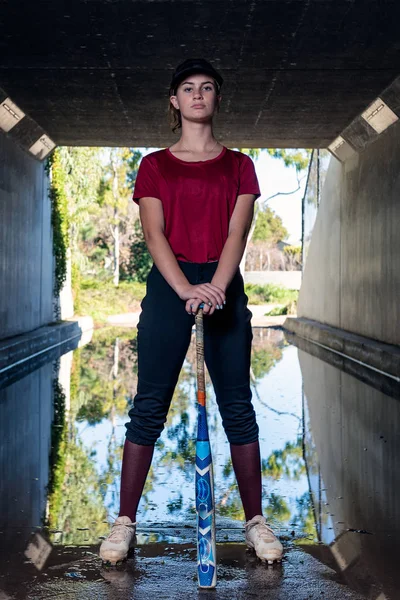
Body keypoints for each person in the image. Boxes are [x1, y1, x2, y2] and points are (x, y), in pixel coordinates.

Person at [99, 58, 283, 566]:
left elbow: (237, 233)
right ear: (174, 102)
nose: (198, 94)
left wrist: (217, 288)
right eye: (187, 88)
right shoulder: (154, 164)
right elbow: (154, 235)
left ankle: (255, 522)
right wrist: (185, 289)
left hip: (223, 286)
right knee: (149, 406)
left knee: (239, 408)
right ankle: (124, 523)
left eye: (207, 88)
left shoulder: (240, 166)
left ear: (216, 99)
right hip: (168, 287)